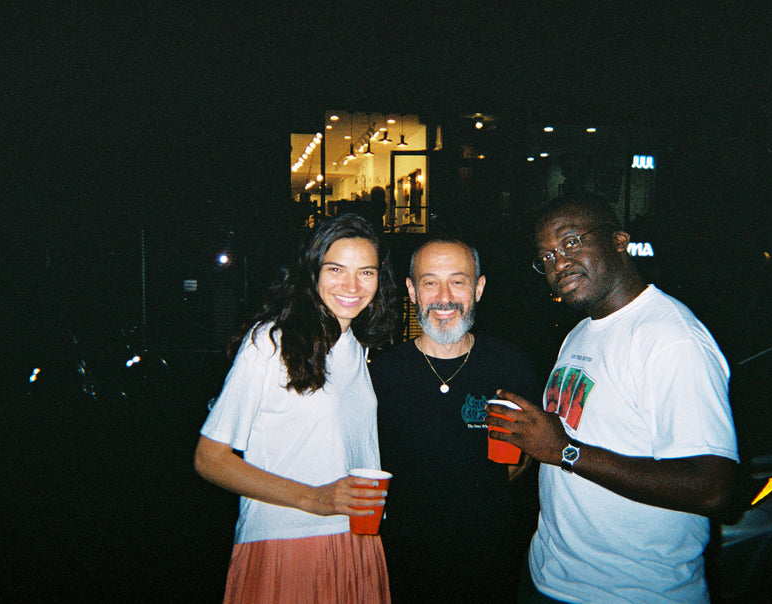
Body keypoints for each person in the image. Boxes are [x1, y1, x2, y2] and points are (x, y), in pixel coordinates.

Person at [488, 197, 738, 603]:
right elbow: (577, 437)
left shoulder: (670, 338)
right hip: (549, 576)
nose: (558, 263)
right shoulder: (582, 331)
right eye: (547, 256)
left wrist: (566, 452)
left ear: (620, 241)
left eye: (571, 242)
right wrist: (531, 449)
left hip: (630, 592)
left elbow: (712, 487)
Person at [194, 214, 399, 603]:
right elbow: (210, 458)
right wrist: (313, 498)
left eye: (366, 272)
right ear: (312, 272)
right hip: (288, 542)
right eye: (336, 269)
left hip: (357, 540)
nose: (352, 286)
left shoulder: (358, 345)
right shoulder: (270, 342)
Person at [370, 238, 540, 603]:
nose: (443, 297)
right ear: (412, 291)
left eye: (458, 281)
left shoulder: (511, 364)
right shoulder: (379, 375)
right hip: (399, 564)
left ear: (478, 288)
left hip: (490, 563)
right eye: (430, 282)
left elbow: (530, 452)